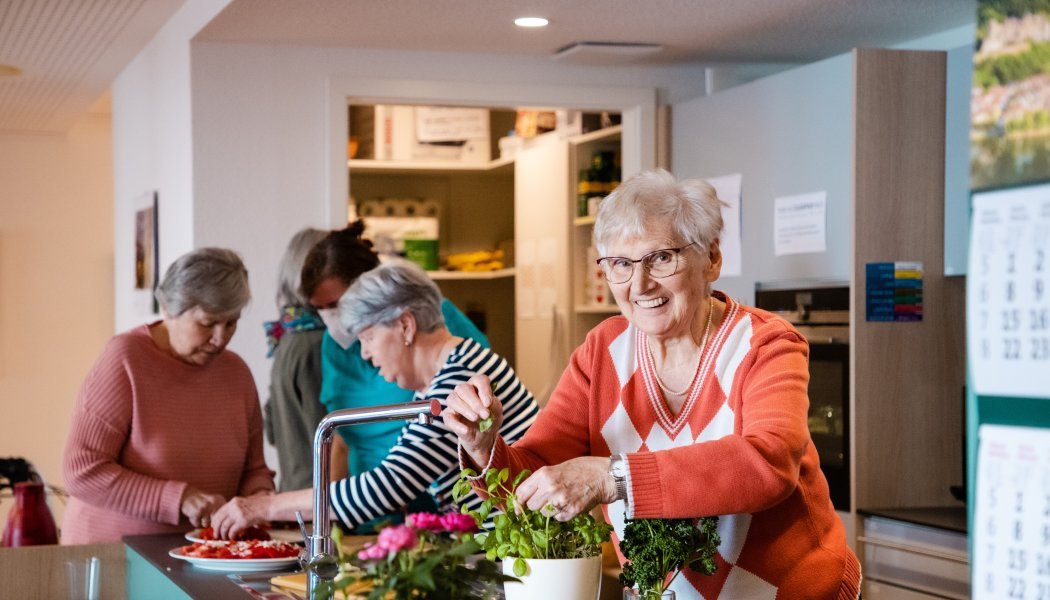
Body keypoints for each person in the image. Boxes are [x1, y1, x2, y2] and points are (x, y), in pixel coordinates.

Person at [443, 169, 862, 599]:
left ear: (712, 259)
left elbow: (768, 464)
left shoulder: (764, 343)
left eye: (661, 257)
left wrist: (615, 478)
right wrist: (484, 445)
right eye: (621, 264)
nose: (640, 285)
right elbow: (537, 479)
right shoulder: (602, 351)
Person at [210, 260, 540, 537]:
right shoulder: (448, 372)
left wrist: (262, 506)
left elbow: (388, 485)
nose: (366, 353)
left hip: (522, 553)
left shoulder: (459, 380)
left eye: (368, 337)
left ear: (406, 326)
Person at [61, 248, 274, 544]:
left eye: (231, 323)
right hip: (114, 555)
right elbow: (81, 471)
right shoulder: (125, 358)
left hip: (205, 554)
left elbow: (254, 469)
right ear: (168, 309)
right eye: (207, 322)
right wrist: (179, 498)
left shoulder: (236, 372)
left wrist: (260, 498)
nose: (220, 338)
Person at [300, 221, 490, 529]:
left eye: (335, 305)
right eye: (320, 309)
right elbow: (342, 438)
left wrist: (264, 507)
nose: (364, 352)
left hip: (416, 496)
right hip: (365, 503)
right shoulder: (336, 347)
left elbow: (394, 482)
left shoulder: (453, 370)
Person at [263, 228, 331, 491]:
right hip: (319, 499)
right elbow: (330, 436)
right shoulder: (317, 344)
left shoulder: (287, 337)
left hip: (293, 490)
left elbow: (271, 429)